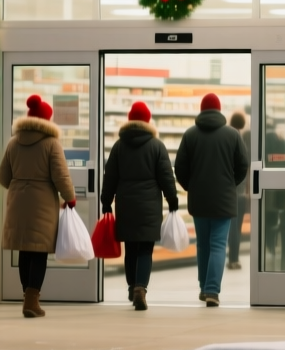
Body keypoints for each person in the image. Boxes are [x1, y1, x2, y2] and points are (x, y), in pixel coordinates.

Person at [0, 94, 76, 318]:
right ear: (47, 120)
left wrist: (20, 185)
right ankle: (32, 301)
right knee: (39, 252)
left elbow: (3, 177)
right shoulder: (51, 143)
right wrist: (69, 197)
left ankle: (27, 296)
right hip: (42, 203)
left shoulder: (13, 142)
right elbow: (61, 175)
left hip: (17, 202)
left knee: (24, 250)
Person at [100, 101, 179, 311]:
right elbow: (166, 177)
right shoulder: (157, 146)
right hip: (149, 206)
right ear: (147, 121)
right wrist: (172, 200)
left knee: (131, 249)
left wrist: (106, 202)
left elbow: (110, 177)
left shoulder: (119, 146)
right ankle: (140, 288)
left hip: (126, 205)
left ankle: (131, 286)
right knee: (145, 249)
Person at [173, 93, 248, 307]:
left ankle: (203, 287)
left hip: (199, 199)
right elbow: (243, 165)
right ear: (219, 109)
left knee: (203, 245)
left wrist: (191, 186)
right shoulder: (232, 135)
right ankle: (212, 290)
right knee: (218, 245)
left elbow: (179, 168)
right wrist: (230, 184)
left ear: (202, 110)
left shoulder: (190, 135)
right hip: (224, 199)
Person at [225, 111, 250, 271]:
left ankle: (232, 258)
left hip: (229, 190)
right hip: (241, 191)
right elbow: (246, 166)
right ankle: (234, 258)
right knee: (237, 226)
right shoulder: (243, 140)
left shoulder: (227, 138)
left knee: (231, 226)